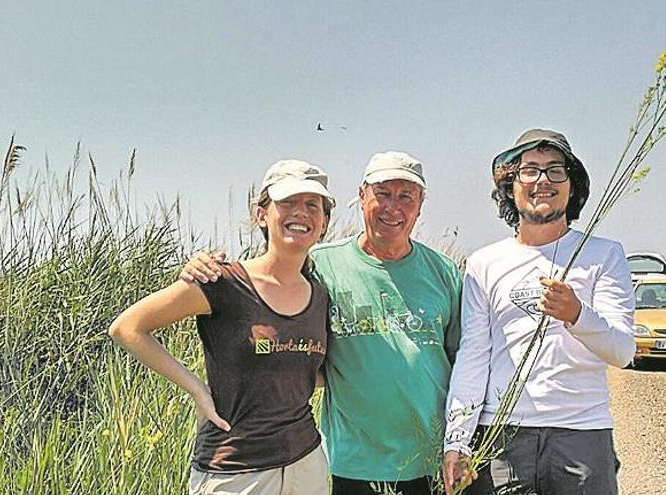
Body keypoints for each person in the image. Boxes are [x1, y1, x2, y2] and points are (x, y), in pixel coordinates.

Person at [182, 151, 463, 495]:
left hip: (433, 458)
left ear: (420, 204)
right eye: (383, 194)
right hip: (355, 461)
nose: (394, 207)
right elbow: (266, 283)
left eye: (406, 196)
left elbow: (464, 364)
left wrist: (460, 443)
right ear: (362, 197)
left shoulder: (445, 272)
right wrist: (203, 266)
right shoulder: (318, 266)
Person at [109, 159, 336, 495]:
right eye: (287, 203)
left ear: (324, 222)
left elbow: (313, 374)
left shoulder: (320, 295)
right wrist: (198, 391)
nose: (300, 213)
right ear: (262, 215)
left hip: (306, 463)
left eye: (311, 205)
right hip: (234, 469)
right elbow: (128, 327)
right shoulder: (223, 282)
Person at [442, 129, 636, 495]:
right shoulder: (484, 263)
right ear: (510, 184)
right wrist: (457, 439)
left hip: (583, 433)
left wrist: (577, 313)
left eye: (555, 170)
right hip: (501, 436)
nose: (542, 180)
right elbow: (473, 355)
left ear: (572, 185)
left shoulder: (605, 255)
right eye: (529, 170)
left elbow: (623, 351)